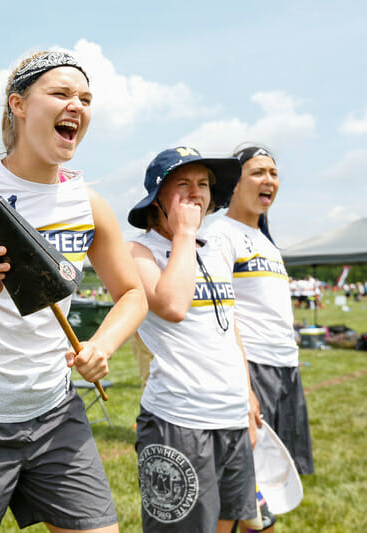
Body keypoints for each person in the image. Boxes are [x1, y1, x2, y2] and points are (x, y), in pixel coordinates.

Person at [0, 50, 147, 532]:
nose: (76, 105)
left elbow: (133, 293)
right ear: (18, 104)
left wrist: (103, 345)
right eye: (60, 94)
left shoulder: (88, 203)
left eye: (86, 98)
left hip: (54, 412)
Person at [127, 146, 260, 532]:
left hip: (230, 414)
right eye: (182, 184)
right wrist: (184, 233)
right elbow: (171, 305)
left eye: (203, 184)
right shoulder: (137, 251)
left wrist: (247, 398)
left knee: (229, 520)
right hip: (178, 418)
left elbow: (228, 328)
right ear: (157, 197)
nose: (196, 193)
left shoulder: (216, 251)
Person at [205, 145, 314, 531]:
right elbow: (221, 315)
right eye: (257, 172)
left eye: (273, 172)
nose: (268, 180)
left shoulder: (266, 241)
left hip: (284, 369)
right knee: (238, 494)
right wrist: (244, 387)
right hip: (252, 371)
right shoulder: (220, 236)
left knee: (265, 490)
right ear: (233, 183)